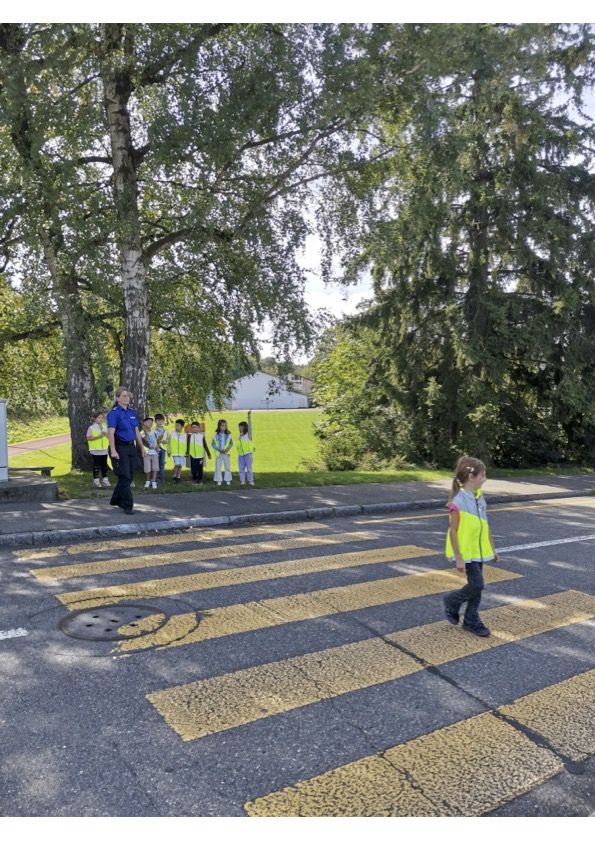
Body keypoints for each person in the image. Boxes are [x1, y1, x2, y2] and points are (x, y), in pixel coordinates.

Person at [443, 455, 499, 637]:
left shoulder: (479, 498)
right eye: (483, 475)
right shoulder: (458, 502)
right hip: (466, 551)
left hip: (479, 550)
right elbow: (453, 531)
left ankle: (470, 620)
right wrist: (458, 557)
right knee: (477, 585)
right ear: (471, 477)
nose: (485, 479)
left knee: (477, 586)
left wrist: (493, 548)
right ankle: (452, 601)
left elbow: (486, 524)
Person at [107, 387, 144, 515]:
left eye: (128, 396)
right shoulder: (114, 413)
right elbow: (110, 433)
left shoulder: (132, 413)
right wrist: (113, 450)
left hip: (131, 447)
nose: (126, 398)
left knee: (129, 476)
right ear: (117, 398)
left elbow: (137, 432)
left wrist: (142, 448)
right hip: (119, 447)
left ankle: (115, 499)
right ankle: (128, 505)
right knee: (125, 476)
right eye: (123, 396)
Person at [86, 410, 110, 488]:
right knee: (96, 465)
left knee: (104, 465)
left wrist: (106, 434)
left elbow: (110, 437)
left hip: (104, 449)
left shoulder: (105, 427)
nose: (100, 419)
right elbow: (88, 438)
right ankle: (96, 480)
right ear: (95, 419)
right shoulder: (92, 428)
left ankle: (105, 479)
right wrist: (97, 437)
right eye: (98, 418)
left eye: (102, 418)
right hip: (95, 449)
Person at [211, 419, 233, 486]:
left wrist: (227, 449)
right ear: (219, 426)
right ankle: (219, 480)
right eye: (222, 425)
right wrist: (219, 449)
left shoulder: (228, 435)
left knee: (227, 466)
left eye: (225, 425)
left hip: (226, 453)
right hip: (219, 453)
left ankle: (228, 479)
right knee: (218, 467)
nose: (224, 427)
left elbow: (231, 443)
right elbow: (213, 444)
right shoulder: (216, 436)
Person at [236, 409, 255, 487]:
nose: (240, 428)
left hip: (248, 454)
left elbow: (250, 427)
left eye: (241, 427)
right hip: (240, 455)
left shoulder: (248, 435)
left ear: (245, 427)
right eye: (239, 427)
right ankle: (242, 480)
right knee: (241, 468)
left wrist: (249, 417)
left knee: (249, 468)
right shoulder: (240, 437)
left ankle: (250, 481)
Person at [141, 417, 159, 489]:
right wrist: (145, 430)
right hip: (146, 452)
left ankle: (154, 481)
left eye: (151, 422)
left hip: (154, 452)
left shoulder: (155, 432)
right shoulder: (141, 433)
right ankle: (148, 481)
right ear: (144, 423)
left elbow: (157, 440)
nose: (150, 423)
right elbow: (146, 439)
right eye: (148, 422)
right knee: (147, 468)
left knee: (155, 467)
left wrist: (158, 446)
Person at [168, 419, 187, 484]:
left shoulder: (184, 435)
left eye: (178, 426)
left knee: (180, 465)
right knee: (177, 464)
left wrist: (186, 452)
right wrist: (169, 451)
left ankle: (178, 477)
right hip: (175, 452)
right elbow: (169, 443)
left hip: (182, 453)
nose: (176, 427)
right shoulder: (172, 434)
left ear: (182, 427)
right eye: (176, 426)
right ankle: (174, 476)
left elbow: (186, 444)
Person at [154, 413, 168, 482]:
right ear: (155, 421)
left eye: (162, 421)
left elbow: (167, 440)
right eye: (158, 420)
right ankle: (156, 478)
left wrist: (165, 441)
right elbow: (153, 440)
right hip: (156, 449)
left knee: (162, 464)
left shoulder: (165, 431)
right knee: (156, 463)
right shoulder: (154, 431)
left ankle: (161, 478)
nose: (160, 422)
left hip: (163, 449)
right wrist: (158, 442)